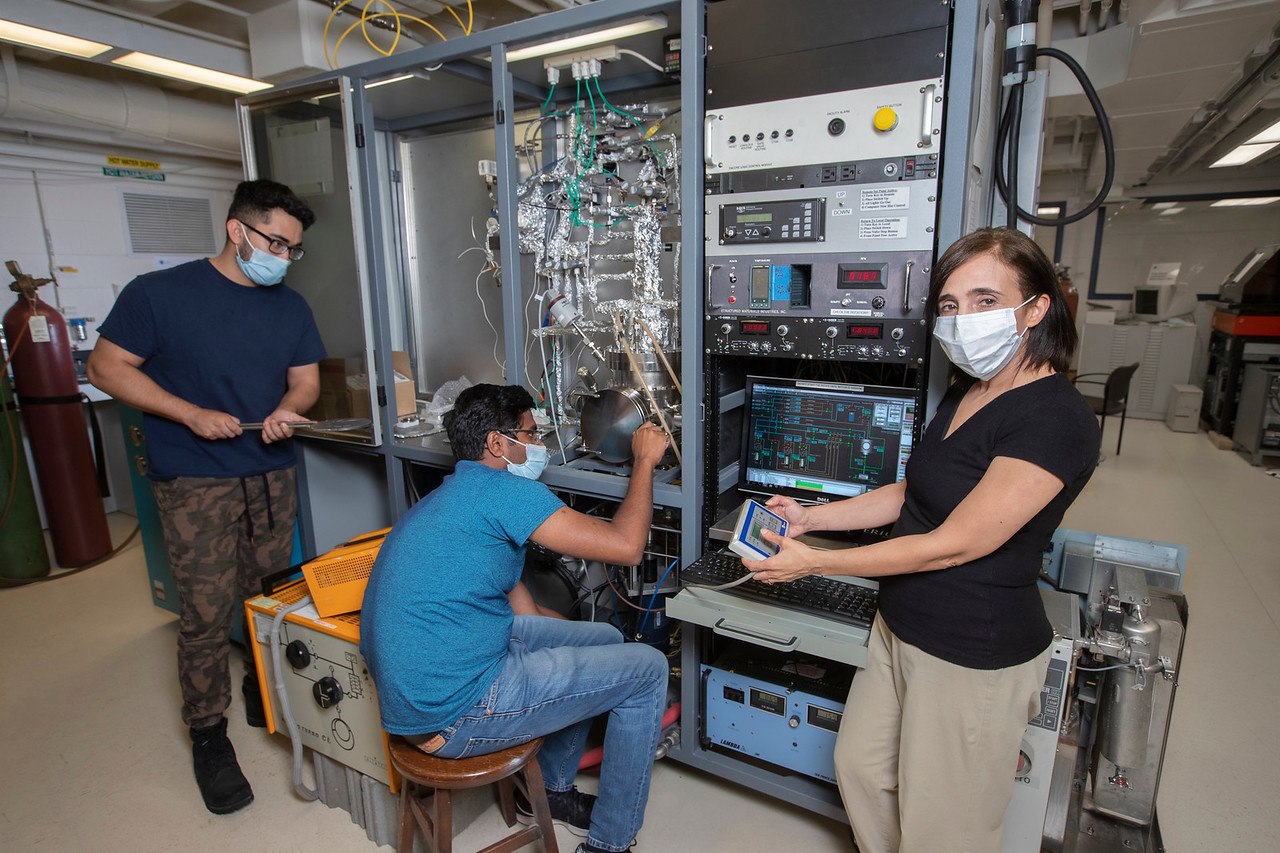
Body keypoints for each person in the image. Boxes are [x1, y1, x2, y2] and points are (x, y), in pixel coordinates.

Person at [744, 227, 1101, 852]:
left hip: (970, 649)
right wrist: (810, 519)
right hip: (900, 625)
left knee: (946, 830)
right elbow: (913, 491)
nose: (964, 321)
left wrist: (816, 567)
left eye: (986, 300)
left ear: (1037, 308)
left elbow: (957, 542)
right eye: (952, 305)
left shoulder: (1056, 418)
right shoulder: (972, 391)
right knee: (861, 770)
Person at [86, 179, 324, 815]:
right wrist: (189, 413)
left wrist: (285, 409)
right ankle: (208, 734)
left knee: (269, 592)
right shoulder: (159, 296)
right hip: (195, 478)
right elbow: (105, 369)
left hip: (269, 472)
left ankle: (262, 690)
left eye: (294, 248)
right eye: (276, 241)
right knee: (207, 609)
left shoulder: (291, 309)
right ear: (237, 229)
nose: (284, 255)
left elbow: (305, 382)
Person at [360, 384, 670, 853]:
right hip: (456, 711)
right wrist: (645, 461)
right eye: (530, 433)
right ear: (497, 444)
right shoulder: (505, 494)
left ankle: (552, 792)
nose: (538, 444)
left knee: (605, 635)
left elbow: (524, 613)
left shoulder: (455, 497)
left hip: (424, 694)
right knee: (647, 669)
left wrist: (582, 655)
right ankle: (610, 846)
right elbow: (627, 547)